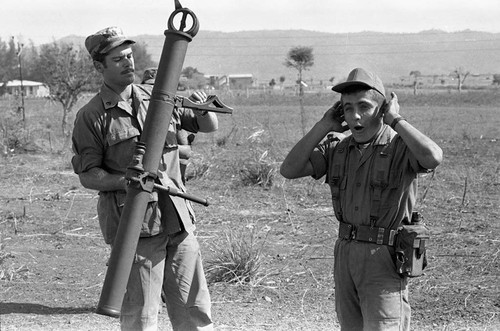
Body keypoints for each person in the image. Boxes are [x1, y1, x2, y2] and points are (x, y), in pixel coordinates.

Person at [71, 26, 217, 331]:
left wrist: (203, 107)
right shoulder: (92, 116)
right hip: (136, 229)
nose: (128, 62)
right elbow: (89, 175)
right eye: (117, 59)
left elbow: (207, 124)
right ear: (99, 67)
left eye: (128, 55)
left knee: (195, 313)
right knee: (141, 318)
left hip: (178, 218)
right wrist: (126, 180)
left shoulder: (159, 97)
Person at [280, 67, 443, 331]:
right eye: (347, 108)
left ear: (381, 110)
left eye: (364, 107)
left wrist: (396, 120)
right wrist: (323, 126)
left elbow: (433, 156)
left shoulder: (400, 146)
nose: (355, 116)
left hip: (384, 257)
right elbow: (289, 169)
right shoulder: (338, 148)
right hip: (345, 254)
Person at [141, 67, 196, 184]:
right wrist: (180, 149)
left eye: (157, 87)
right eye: (149, 86)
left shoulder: (174, 109)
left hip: (174, 178)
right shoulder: (139, 109)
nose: (152, 90)